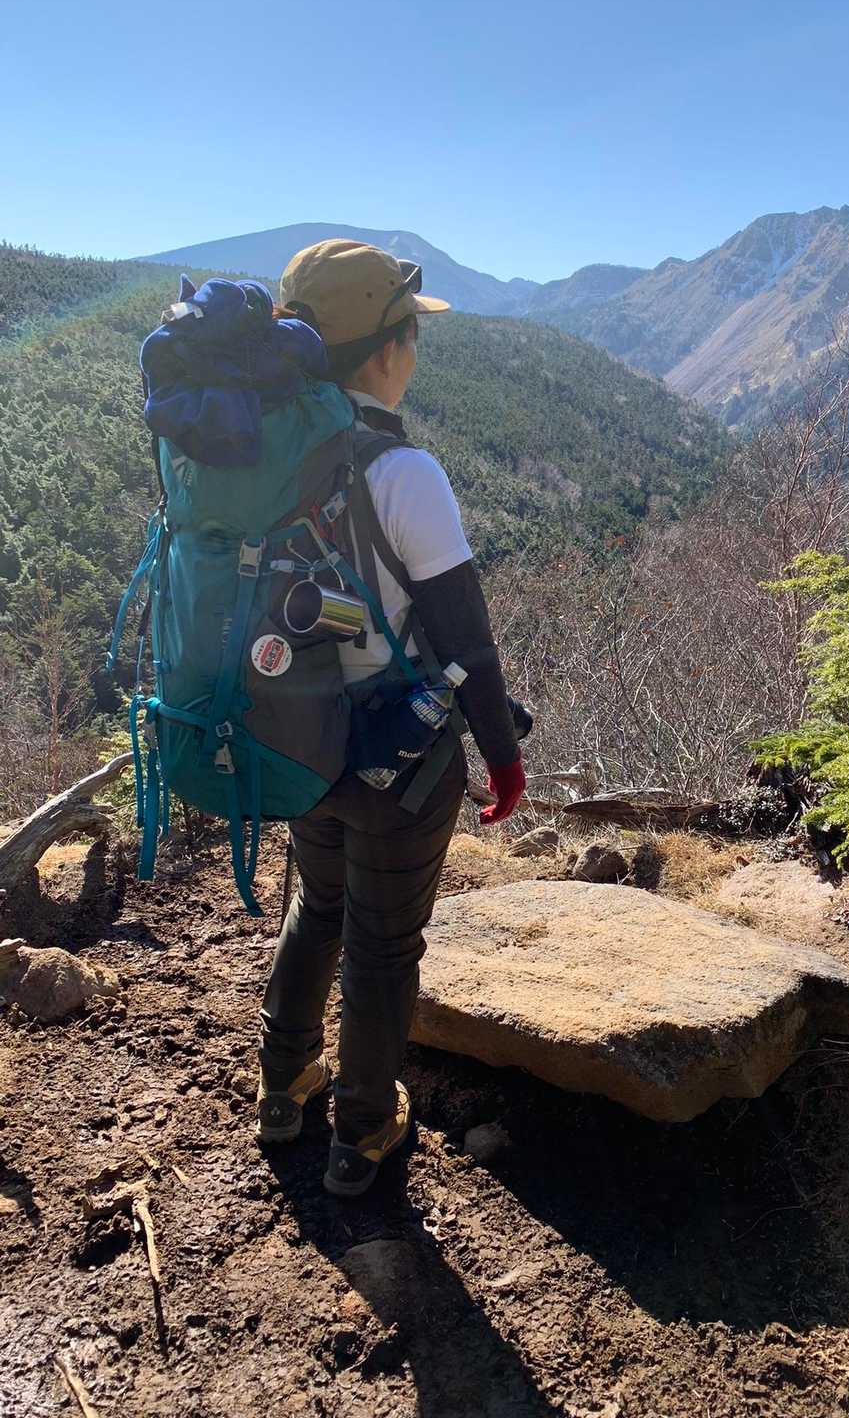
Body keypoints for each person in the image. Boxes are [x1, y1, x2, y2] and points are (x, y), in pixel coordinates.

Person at [256, 239, 526, 1196]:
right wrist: (503, 759)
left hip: (295, 735)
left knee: (318, 907)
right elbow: (467, 643)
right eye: (410, 330)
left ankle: (284, 1087)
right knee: (381, 944)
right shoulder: (403, 471)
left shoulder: (265, 457)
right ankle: (363, 1132)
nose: (414, 347)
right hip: (395, 758)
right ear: (383, 350)